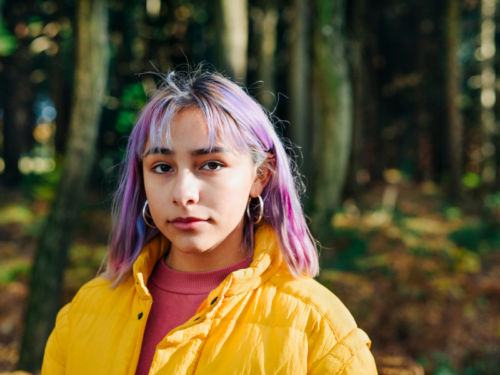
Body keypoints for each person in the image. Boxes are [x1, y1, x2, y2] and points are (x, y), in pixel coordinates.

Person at [42, 67, 378, 374]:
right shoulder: (84, 312)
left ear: (260, 175)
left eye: (211, 164)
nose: (183, 193)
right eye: (162, 167)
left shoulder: (319, 328)